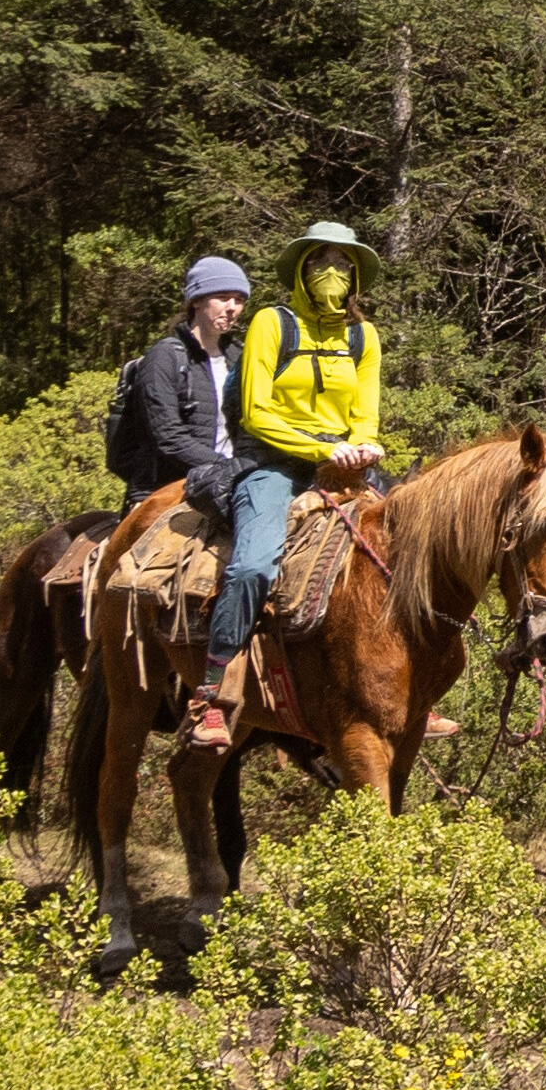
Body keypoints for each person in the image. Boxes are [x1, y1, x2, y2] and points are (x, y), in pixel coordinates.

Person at [169, 220, 397, 754]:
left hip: (343, 468)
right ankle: (212, 695)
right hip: (272, 465)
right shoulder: (274, 323)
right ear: (301, 267)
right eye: (322, 262)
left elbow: (365, 412)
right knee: (253, 565)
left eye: (344, 265)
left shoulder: (364, 337)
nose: (333, 274)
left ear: (357, 273)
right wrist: (321, 448)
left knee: (405, 557)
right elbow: (255, 411)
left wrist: (364, 444)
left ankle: (408, 691)